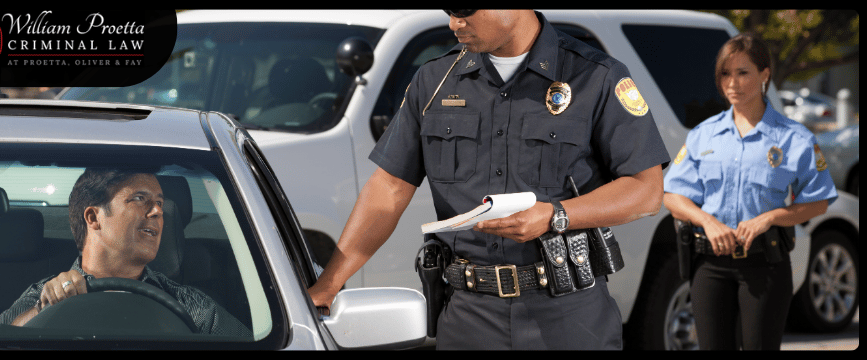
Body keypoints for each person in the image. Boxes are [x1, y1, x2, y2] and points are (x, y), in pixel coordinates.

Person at [308, 10, 669, 350]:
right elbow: (388, 189)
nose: (454, 23)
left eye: (464, 9)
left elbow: (646, 190)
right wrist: (329, 284)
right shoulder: (435, 81)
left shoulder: (596, 76)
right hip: (468, 316)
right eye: (448, 10)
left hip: (569, 314)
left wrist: (555, 215)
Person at [663, 33, 837, 350]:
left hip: (765, 267)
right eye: (725, 74)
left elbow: (818, 202)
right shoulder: (704, 134)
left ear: (764, 75)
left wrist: (769, 218)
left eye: (743, 72)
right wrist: (708, 222)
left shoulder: (794, 138)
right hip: (709, 266)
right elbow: (672, 196)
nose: (732, 83)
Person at [0, 167, 251, 338]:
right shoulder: (41, 295)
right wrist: (47, 308)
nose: (157, 212)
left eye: (160, 203)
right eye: (140, 198)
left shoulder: (190, 305)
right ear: (94, 217)